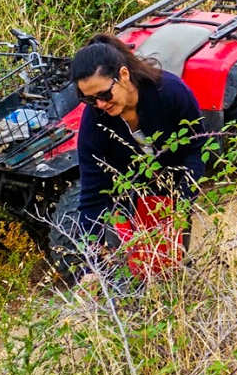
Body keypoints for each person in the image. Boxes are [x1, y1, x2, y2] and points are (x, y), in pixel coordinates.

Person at [70, 33, 207, 245]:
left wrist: (181, 204)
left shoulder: (170, 92)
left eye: (104, 95)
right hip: (128, 198)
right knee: (133, 266)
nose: (100, 105)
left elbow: (196, 148)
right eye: (88, 98)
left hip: (175, 188)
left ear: (123, 75)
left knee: (171, 259)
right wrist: (89, 262)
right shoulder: (94, 122)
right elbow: (92, 194)